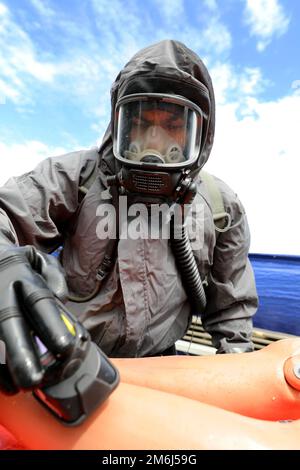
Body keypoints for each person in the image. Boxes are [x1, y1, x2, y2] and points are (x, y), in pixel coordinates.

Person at [0, 39, 258, 393]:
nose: (154, 141)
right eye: (141, 122)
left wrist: (237, 384)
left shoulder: (220, 207)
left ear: (200, 134)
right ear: (118, 124)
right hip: (74, 363)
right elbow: (8, 212)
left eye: (173, 125)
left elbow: (232, 312)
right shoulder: (78, 177)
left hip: (161, 374)